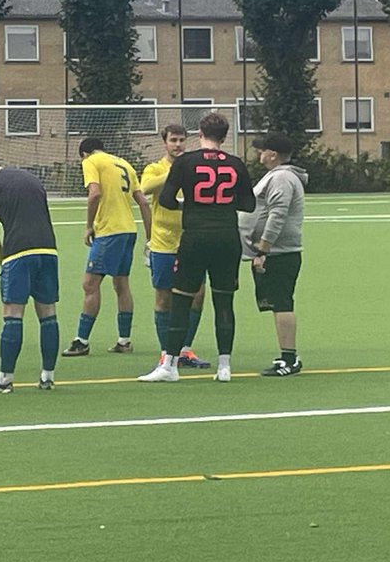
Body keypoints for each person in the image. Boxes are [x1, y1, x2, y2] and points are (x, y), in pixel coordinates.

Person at [140, 112, 255, 384]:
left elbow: (166, 200)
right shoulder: (236, 163)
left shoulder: (185, 162)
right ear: (224, 137)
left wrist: (191, 205)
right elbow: (248, 204)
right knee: (224, 301)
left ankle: (170, 364)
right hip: (227, 238)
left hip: (195, 238)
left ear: (200, 134)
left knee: (181, 299)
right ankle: (224, 366)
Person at [0, 162, 62, 393]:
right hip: (48, 249)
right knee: (48, 314)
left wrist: (2, 258)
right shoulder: (31, 177)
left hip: (18, 252)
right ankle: (48, 376)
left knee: (13, 315)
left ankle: (5, 378)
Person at [63, 138, 152, 357]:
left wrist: (88, 226)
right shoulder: (124, 163)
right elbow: (143, 202)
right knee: (121, 284)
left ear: (84, 154)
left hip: (109, 231)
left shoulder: (91, 161)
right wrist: (150, 236)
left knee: (90, 284)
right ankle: (124, 340)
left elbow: (95, 193)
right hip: (128, 230)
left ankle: (81, 341)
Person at [140, 124, 211, 370]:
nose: (178, 144)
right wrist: (175, 172)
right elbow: (145, 188)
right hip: (163, 244)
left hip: (192, 241)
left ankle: (184, 349)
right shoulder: (155, 168)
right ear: (165, 142)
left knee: (197, 295)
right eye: (173, 140)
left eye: (181, 140)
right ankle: (165, 352)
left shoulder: (193, 167)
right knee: (164, 298)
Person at [239, 132, 308, 377]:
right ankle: (287, 355)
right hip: (274, 252)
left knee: (282, 303)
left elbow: (277, 214)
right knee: (278, 303)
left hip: (279, 253)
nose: (260, 153)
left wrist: (263, 249)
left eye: (263, 149)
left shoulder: (281, 178)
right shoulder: (277, 176)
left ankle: (289, 358)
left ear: (273, 154)